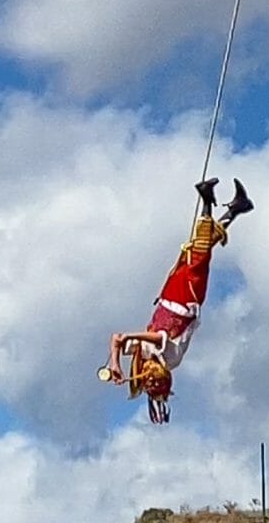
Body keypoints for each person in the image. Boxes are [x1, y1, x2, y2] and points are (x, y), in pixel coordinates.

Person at [105, 176, 254, 422]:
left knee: (198, 251)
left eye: (150, 381)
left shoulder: (140, 355)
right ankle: (211, 201)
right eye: (157, 380)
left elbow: (115, 339)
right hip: (186, 303)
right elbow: (157, 337)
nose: (152, 377)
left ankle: (235, 207)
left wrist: (115, 363)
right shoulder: (170, 359)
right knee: (199, 256)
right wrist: (129, 336)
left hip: (167, 296)